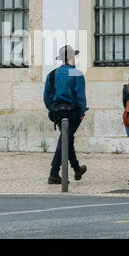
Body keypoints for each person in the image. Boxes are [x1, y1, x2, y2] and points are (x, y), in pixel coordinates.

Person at [42, 45, 88, 184]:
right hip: (72, 113)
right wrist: (82, 112)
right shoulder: (76, 73)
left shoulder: (53, 74)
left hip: (56, 112)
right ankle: (54, 172)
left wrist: (52, 109)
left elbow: (46, 96)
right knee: (65, 140)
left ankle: (76, 169)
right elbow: (80, 96)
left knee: (67, 139)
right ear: (71, 58)